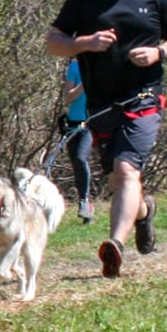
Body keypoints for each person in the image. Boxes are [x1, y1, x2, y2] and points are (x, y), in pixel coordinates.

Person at [45, 0, 167, 278]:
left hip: (144, 97)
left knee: (126, 170)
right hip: (100, 104)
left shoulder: (155, 0)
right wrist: (86, 43)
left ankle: (115, 246)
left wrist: (158, 52)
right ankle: (143, 212)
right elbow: (53, 43)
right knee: (119, 181)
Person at [60, 59, 96, 224]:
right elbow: (68, 97)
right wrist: (84, 85)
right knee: (76, 163)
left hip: (90, 124)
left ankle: (85, 202)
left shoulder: (100, 67)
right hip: (73, 125)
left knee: (81, 158)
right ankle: (86, 208)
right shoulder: (74, 67)